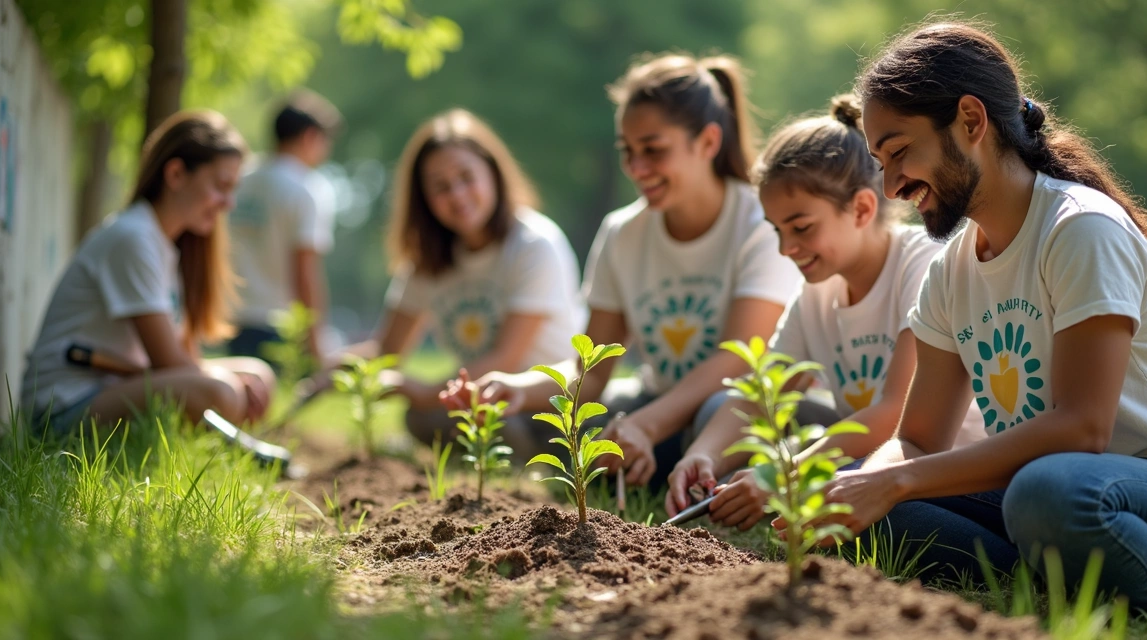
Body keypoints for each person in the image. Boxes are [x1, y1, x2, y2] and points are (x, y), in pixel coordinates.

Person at [803, 21, 1147, 617]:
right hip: (1048, 493)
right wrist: (865, 484)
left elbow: (1082, 429)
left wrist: (897, 481)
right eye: (879, 162)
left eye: (900, 153)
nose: (891, 186)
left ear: (971, 122)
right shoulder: (952, 269)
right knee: (873, 514)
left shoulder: (1079, 229)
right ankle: (1075, 580)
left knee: (1045, 492)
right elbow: (917, 439)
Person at [442, 53, 799, 487]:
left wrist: (646, 425)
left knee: (713, 410)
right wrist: (515, 388)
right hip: (658, 403)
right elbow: (589, 375)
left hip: (731, 412)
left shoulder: (759, 222)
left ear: (707, 142)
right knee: (592, 431)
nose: (636, 168)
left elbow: (740, 358)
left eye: (653, 150)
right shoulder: (621, 233)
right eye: (628, 151)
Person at [665, 95, 985, 528]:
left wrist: (784, 475)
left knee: (854, 505)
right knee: (718, 411)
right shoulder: (815, 293)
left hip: (937, 467)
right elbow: (761, 397)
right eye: (777, 231)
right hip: (867, 459)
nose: (786, 248)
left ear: (861, 209)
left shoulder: (923, 264)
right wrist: (701, 454)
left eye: (802, 228)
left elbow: (896, 414)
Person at [328, 108, 583, 461]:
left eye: (467, 177)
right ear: (424, 198)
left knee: (463, 417)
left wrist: (426, 391)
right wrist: (337, 369)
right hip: (479, 402)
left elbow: (507, 359)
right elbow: (388, 351)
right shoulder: (429, 261)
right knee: (421, 418)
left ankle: (538, 464)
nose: (458, 195)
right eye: (441, 187)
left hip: (545, 405)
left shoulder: (533, 244)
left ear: (493, 173)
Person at [22, 110, 274, 437]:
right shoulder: (133, 238)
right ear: (176, 174)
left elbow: (183, 359)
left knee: (258, 375)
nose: (228, 203)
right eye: (221, 186)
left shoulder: (165, 245)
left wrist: (231, 379)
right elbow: (170, 363)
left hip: (116, 388)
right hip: (62, 411)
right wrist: (222, 383)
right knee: (221, 393)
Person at [227, 90, 342, 368]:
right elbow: (305, 270)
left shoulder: (239, 180)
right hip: (281, 324)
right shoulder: (307, 189)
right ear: (310, 137)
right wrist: (315, 339)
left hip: (234, 317)